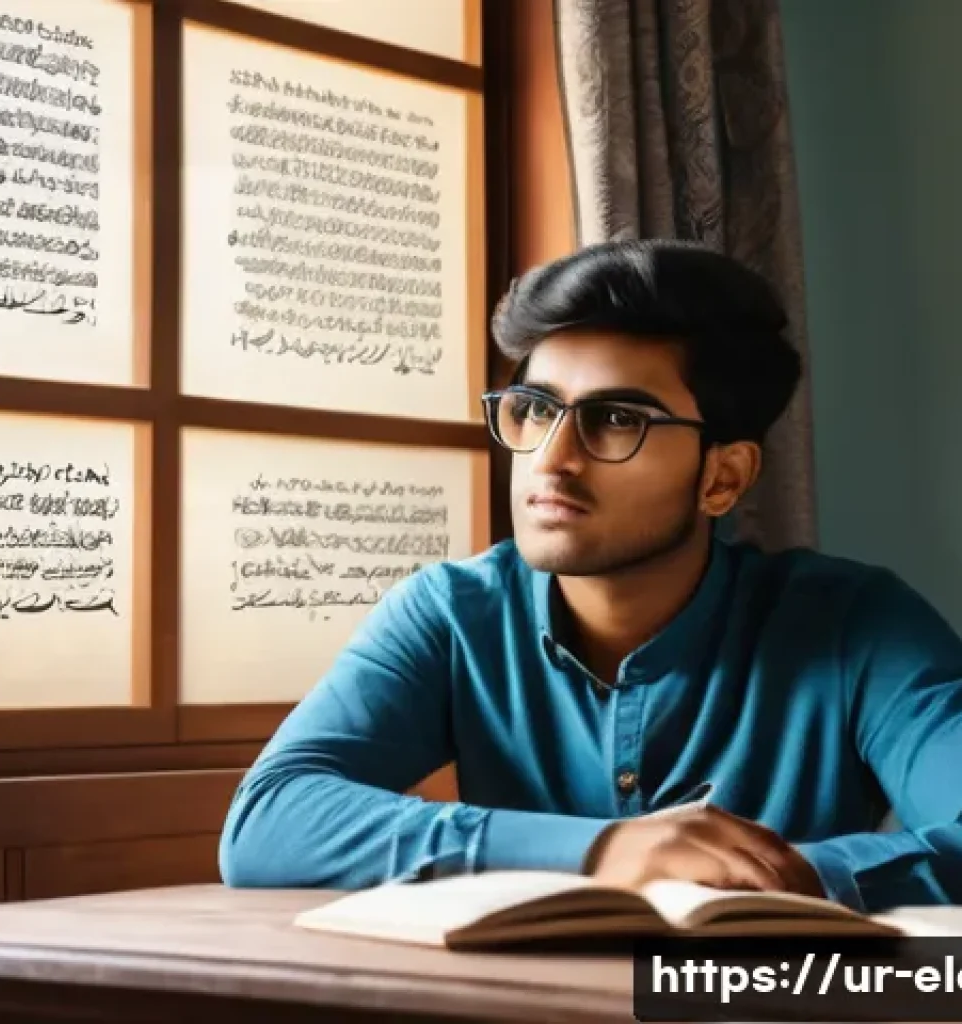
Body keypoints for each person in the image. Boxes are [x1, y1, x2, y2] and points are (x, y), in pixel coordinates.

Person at [218, 239, 962, 912]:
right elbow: (268, 820)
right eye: (535, 409)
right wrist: (600, 853)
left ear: (723, 478)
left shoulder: (856, 624)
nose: (551, 458)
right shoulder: (451, 615)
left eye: (615, 421)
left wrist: (773, 879)